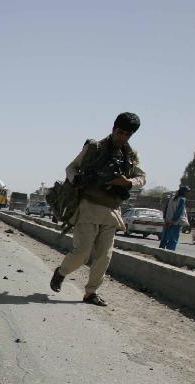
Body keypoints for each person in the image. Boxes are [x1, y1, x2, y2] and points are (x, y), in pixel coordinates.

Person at [49, 112, 146, 306]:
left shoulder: (131, 155)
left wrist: (127, 182)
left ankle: (90, 293)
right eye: (120, 132)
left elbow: (142, 178)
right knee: (82, 252)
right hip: (88, 207)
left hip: (112, 211)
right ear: (113, 128)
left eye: (127, 134)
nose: (122, 137)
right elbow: (71, 167)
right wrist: (77, 179)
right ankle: (61, 272)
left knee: (104, 256)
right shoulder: (94, 147)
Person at [159, 185, 188, 250]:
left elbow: (165, 209)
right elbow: (179, 211)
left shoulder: (171, 198)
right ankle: (169, 253)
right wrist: (173, 220)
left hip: (167, 221)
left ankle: (160, 251)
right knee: (173, 239)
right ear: (184, 192)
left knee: (164, 238)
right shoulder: (182, 199)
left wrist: (165, 219)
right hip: (175, 223)